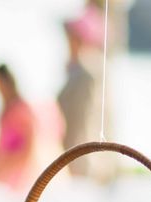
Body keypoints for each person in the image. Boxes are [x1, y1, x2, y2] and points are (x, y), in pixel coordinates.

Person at [58, 6, 106, 177]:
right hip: (74, 149)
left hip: (80, 152)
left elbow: (80, 118)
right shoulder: (77, 69)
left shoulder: (86, 71)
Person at [0, 64, 39, 190]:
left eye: (0, 84)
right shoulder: (6, 111)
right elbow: (2, 146)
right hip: (4, 175)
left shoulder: (22, 110)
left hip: (19, 178)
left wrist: (5, 165)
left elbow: (29, 147)